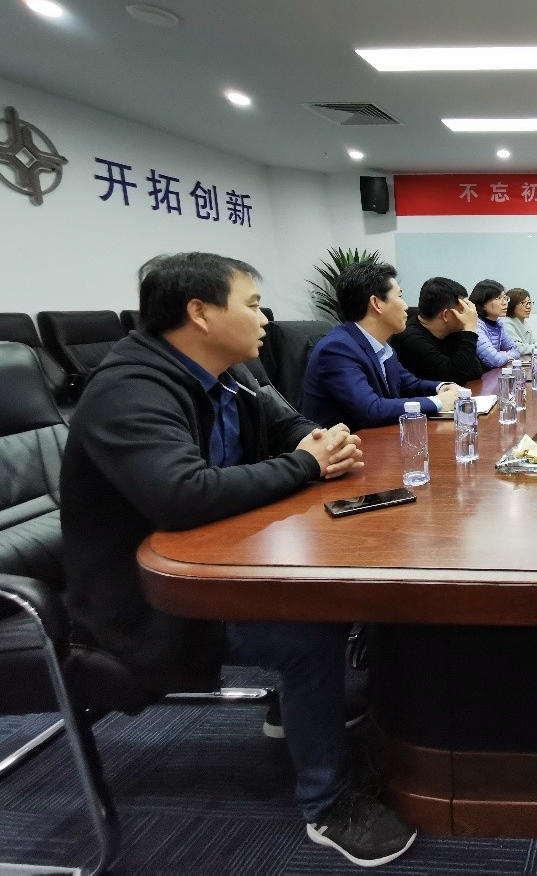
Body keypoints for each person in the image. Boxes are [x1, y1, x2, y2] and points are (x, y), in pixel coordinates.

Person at [59, 252, 418, 867]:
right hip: (149, 597)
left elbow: (292, 427)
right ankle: (327, 802)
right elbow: (181, 494)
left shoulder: (233, 371)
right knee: (310, 630)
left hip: (224, 562)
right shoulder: (128, 389)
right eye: (251, 305)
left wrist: (318, 443)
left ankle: (294, 711)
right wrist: (306, 464)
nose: (264, 318)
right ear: (200, 313)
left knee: (347, 587)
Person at [303, 261, 458, 432]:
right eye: (399, 296)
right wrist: (438, 402)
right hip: (348, 445)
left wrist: (441, 387)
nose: (406, 306)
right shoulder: (337, 349)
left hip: (379, 438)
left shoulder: (381, 346)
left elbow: (408, 384)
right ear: (376, 303)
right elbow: (370, 409)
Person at [391, 276, 484, 384]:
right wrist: (470, 329)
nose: (468, 314)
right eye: (463, 309)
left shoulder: (453, 331)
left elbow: (476, 370)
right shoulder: (410, 339)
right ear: (446, 315)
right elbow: (457, 377)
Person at [470, 278, 521, 371]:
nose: (504, 303)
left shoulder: (498, 323)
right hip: (478, 377)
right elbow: (494, 360)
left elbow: (516, 350)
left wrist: (502, 355)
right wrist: (504, 355)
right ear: (482, 302)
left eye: (505, 298)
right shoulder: (476, 325)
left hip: (492, 373)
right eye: (498, 298)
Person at [503, 288, 537, 355]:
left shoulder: (524, 323)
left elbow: (532, 343)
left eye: (529, 303)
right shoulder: (506, 324)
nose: (528, 306)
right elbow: (518, 348)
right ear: (512, 304)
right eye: (523, 303)